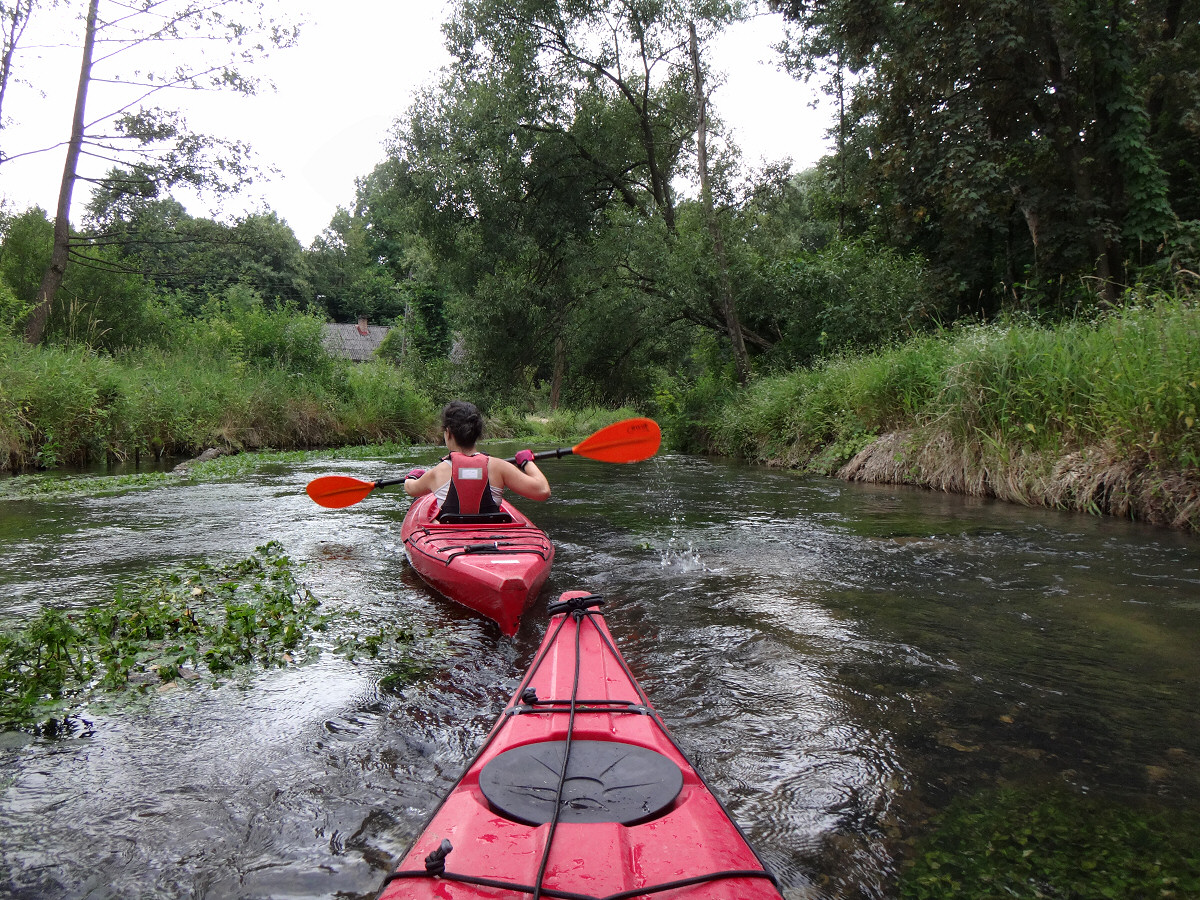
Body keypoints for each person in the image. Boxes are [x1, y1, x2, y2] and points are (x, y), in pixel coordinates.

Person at [403, 400, 550, 517]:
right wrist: (526, 462)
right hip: (492, 538)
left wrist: (413, 476)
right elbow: (543, 491)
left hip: (450, 540)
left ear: (448, 433)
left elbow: (411, 489)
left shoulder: (437, 473)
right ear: (477, 433)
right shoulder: (499, 467)